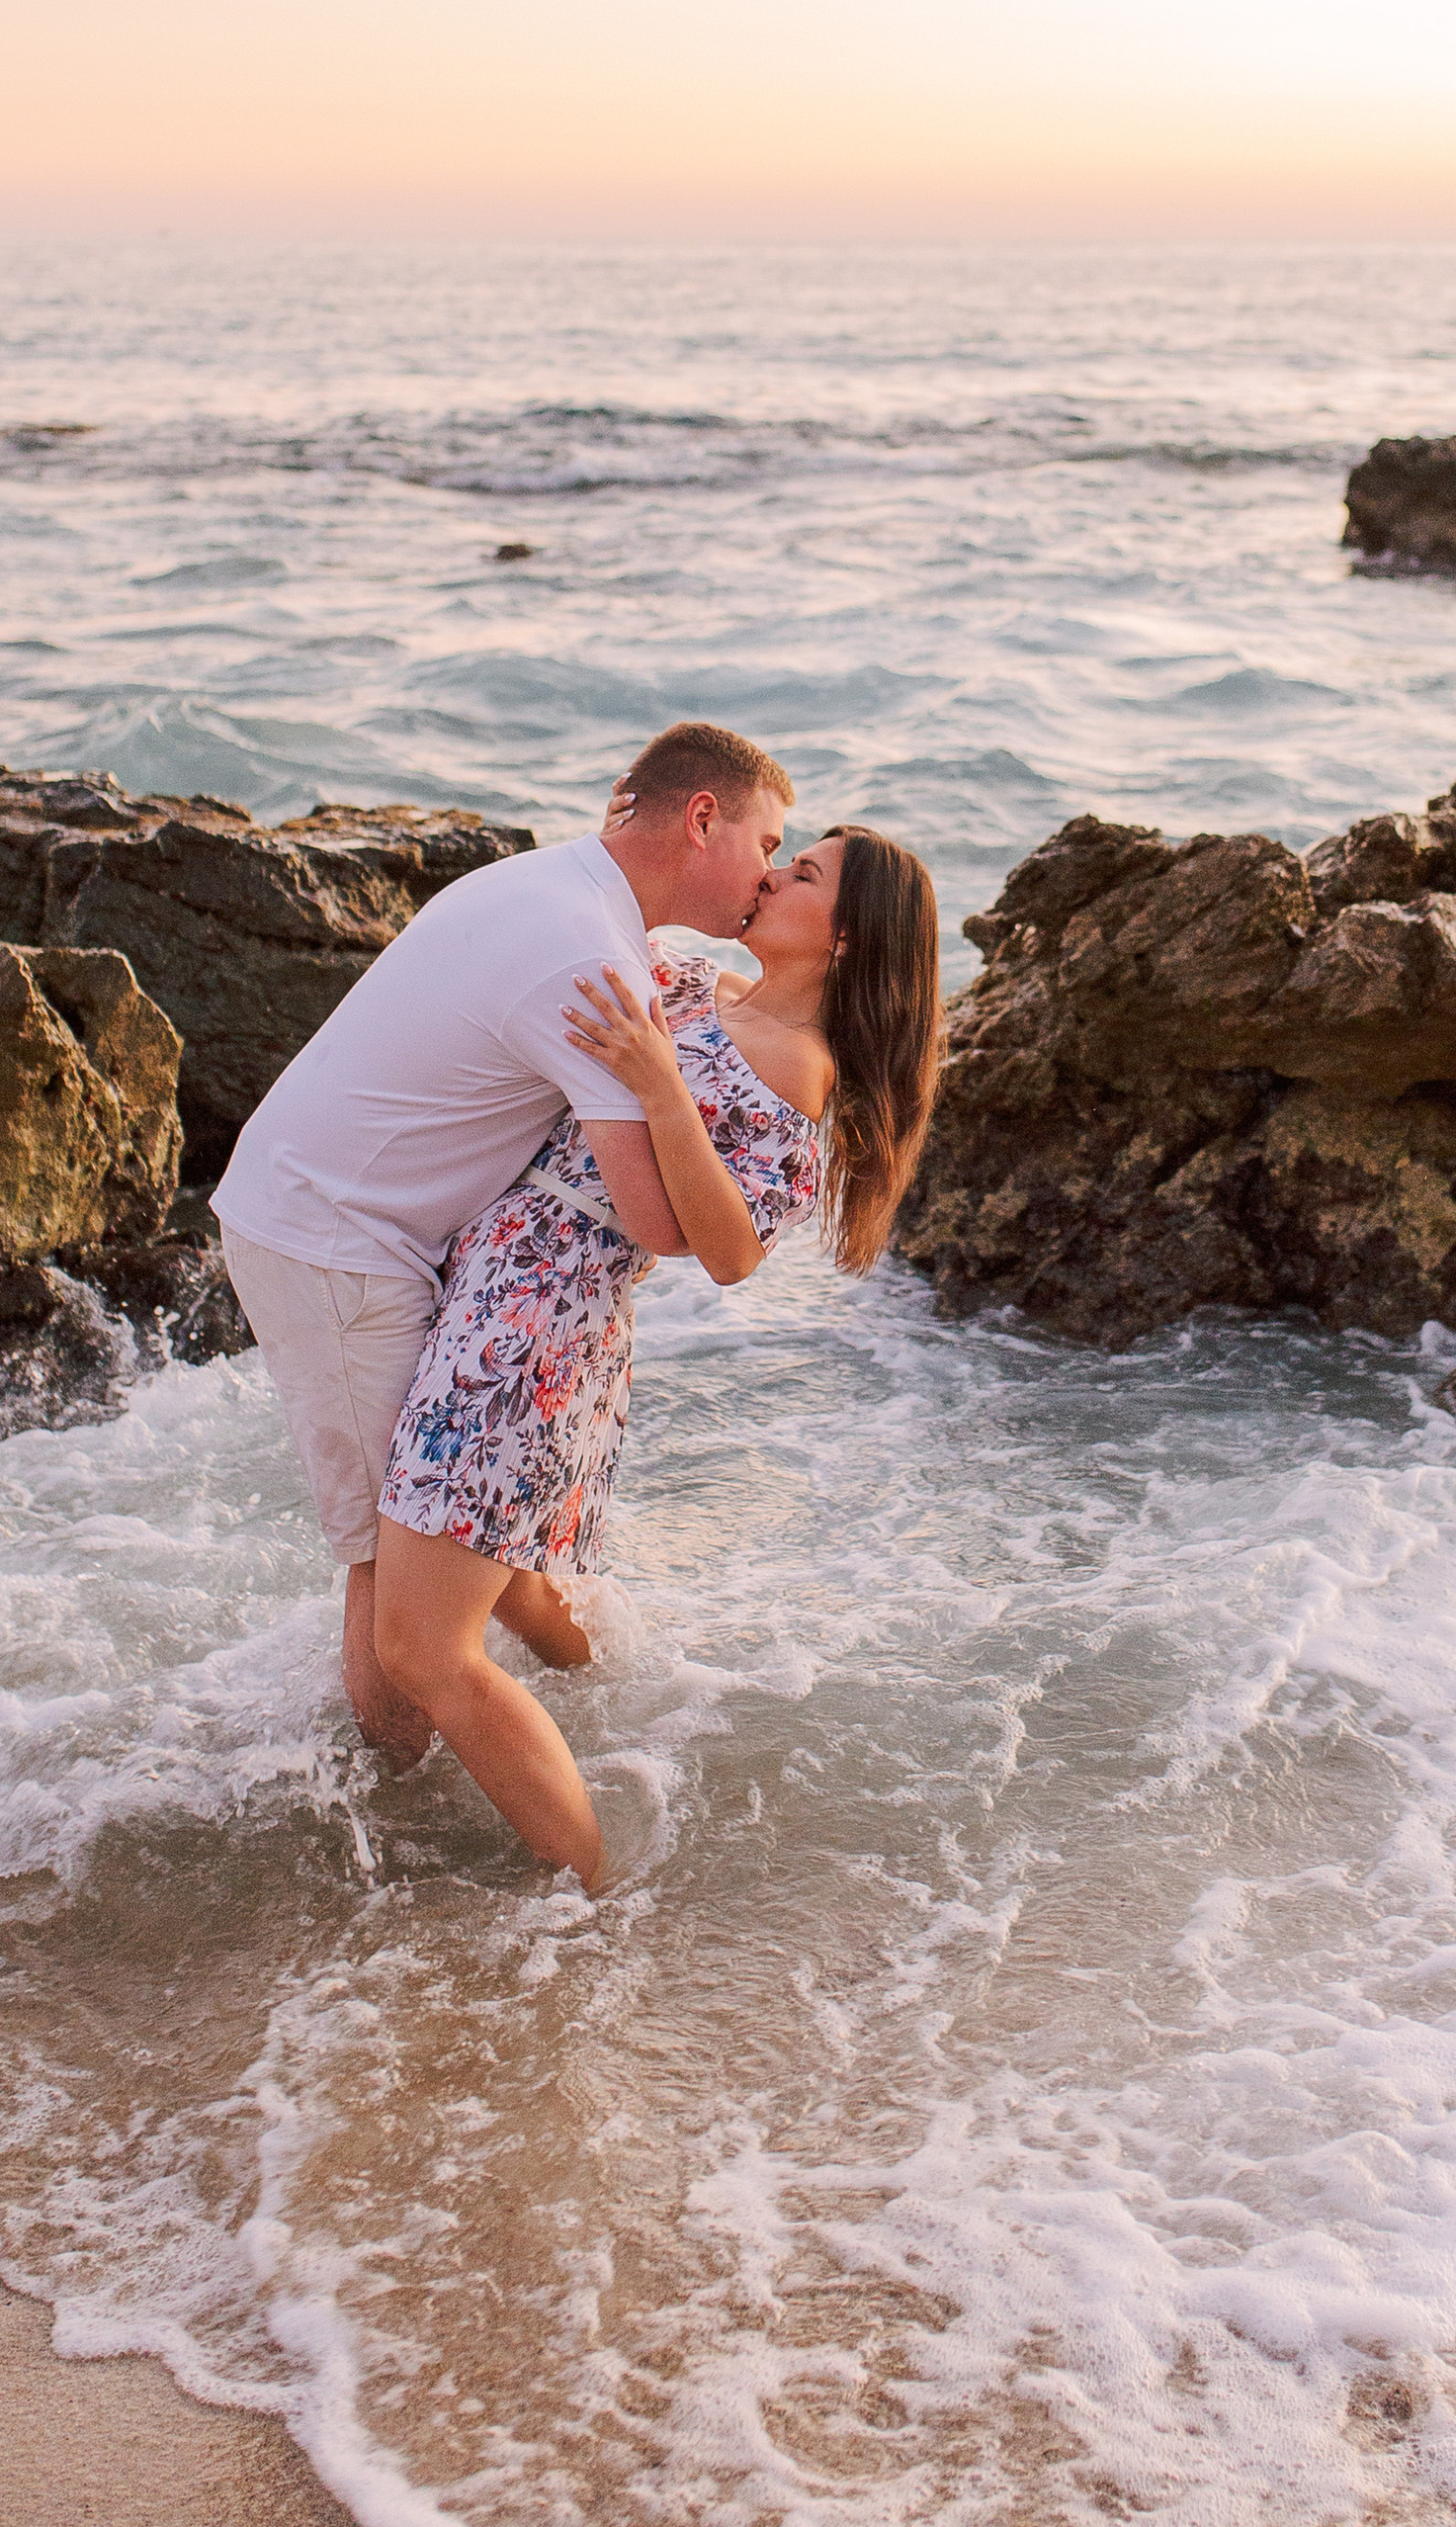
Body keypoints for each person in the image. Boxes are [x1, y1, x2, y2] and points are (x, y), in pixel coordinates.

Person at [371, 819, 942, 1889]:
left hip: (537, 1327)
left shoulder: (799, 1070)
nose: (772, 875)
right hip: (485, 1280)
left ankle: (590, 1887)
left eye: (804, 874)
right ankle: (630, 1705)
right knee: (512, 1586)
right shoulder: (685, 977)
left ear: (849, 938)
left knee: (422, 1646)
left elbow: (728, 1251)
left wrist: (660, 1081)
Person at [213, 722, 798, 1759]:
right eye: (767, 843)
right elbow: (655, 1225)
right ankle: (397, 1807)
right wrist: (671, 1092)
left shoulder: (559, 889)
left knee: (440, 1559)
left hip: (336, 1213)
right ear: (704, 819)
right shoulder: (594, 959)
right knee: (390, 1571)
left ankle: (528, 1731)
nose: (768, 874)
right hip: (333, 1242)